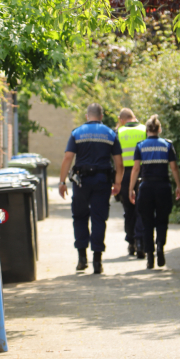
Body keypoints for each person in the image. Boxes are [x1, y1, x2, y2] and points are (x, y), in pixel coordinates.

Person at [58, 103, 123, 274]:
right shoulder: (110, 134)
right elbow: (119, 163)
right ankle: (97, 261)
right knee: (99, 218)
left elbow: (67, 158)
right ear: (101, 117)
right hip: (102, 181)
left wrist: (62, 181)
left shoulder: (77, 133)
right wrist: (117, 183)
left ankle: (81, 258)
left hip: (81, 182)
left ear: (87, 116)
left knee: (79, 216)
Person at [129, 115, 180, 269]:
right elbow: (174, 168)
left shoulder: (140, 146)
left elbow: (136, 169)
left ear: (147, 130)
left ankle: (150, 257)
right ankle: (160, 246)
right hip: (163, 187)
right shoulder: (167, 145)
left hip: (146, 187)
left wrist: (131, 189)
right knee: (162, 220)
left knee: (147, 222)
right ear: (159, 129)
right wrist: (178, 185)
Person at [116, 108, 146, 259]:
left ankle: (131, 242)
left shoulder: (119, 133)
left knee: (128, 209)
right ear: (134, 117)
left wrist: (115, 181)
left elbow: (114, 159)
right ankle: (141, 241)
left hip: (125, 175)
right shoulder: (145, 130)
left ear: (121, 119)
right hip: (142, 173)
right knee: (142, 208)